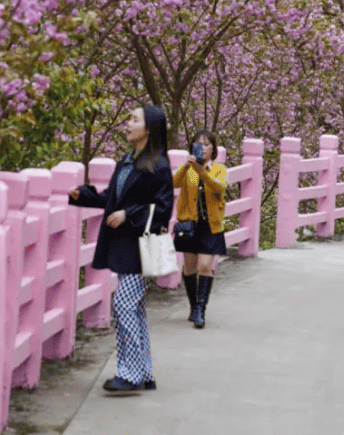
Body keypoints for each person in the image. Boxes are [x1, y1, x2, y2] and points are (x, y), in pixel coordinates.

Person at [69, 106, 173, 393]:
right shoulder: (126, 162)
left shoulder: (159, 165)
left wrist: (130, 214)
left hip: (140, 247)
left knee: (124, 306)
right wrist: (83, 195)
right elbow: (110, 199)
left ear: (149, 129)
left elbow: (163, 209)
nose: (127, 124)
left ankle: (130, 375)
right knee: (134, 310)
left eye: (134, 120)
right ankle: (145, 373)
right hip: (124, 246)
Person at [173, 129, 228, 328]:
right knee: (189, 268)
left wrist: (203, 172)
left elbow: (219, 188)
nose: (202, 147)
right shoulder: (189, 170)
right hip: (190, 226)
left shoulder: (219, 170)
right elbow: (173, 182)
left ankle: (200, 310)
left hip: (211, 226)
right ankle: (193, 306)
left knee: (205, 266)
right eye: (198, 144)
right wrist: (187, 166)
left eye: (206, 144)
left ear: (213, 149)